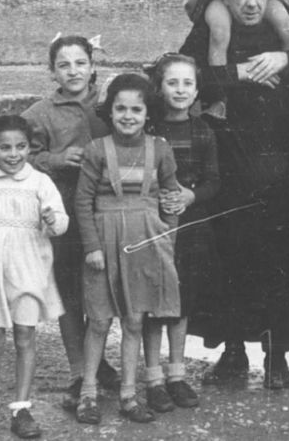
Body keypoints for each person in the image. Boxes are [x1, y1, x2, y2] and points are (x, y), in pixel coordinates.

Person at [178, 0, 289, 389]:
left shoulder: (281, 28)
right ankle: (232, 352)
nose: (251, 4)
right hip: (228, 163)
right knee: (230, 253)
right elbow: (174, 78)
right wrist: (238, 73)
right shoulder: (209, 31)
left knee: (281, 255)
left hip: (282, 162)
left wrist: (286, 58)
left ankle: (278, 356)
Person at [73, 74, 181, 425]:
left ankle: (129, 393)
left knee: (135, 320)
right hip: (103, 243)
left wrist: (167, 236)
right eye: (120, 108)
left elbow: (171, 195)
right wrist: (92, 246)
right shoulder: (96, 149)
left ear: (148, 112)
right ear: (110, 111)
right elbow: (83, 201)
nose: (128, 115)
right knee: (100, 320)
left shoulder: (160, 148)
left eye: (136, 109)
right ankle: (87, 393)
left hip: (145, 242)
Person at [21, 34, 120, 408]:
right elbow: (19, 153)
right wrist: (57, 159)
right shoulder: (40, 113)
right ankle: (80, 371)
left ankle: (100, 361)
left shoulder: (109, 104)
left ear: (93, 65)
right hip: (63, 214)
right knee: (69, 291)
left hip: (108, 210)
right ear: (52, 72)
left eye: (80, 63)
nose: (73, 71)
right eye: (64, 65)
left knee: (103, 289)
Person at [0, 115, 68, 439]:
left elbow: (61, 223)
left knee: (25, 335)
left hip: (28, 266)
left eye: (20, 146)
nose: (13, 154)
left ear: (29, 147)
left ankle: (22, 407)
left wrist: (53, 219)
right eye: (5, 147)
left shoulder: (40, 182)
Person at [141, 54, 221, 414]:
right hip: (152, 225)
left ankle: (176, 373)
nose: (180, 90)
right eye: (172, 83)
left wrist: (191, 195)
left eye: (188, 83)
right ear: (159, 87)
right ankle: (154, 378)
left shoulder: (203, 130)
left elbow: (214, 181)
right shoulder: (148, 128)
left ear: (197, 89)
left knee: (181, 300)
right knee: (153, 302)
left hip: (189, 226)